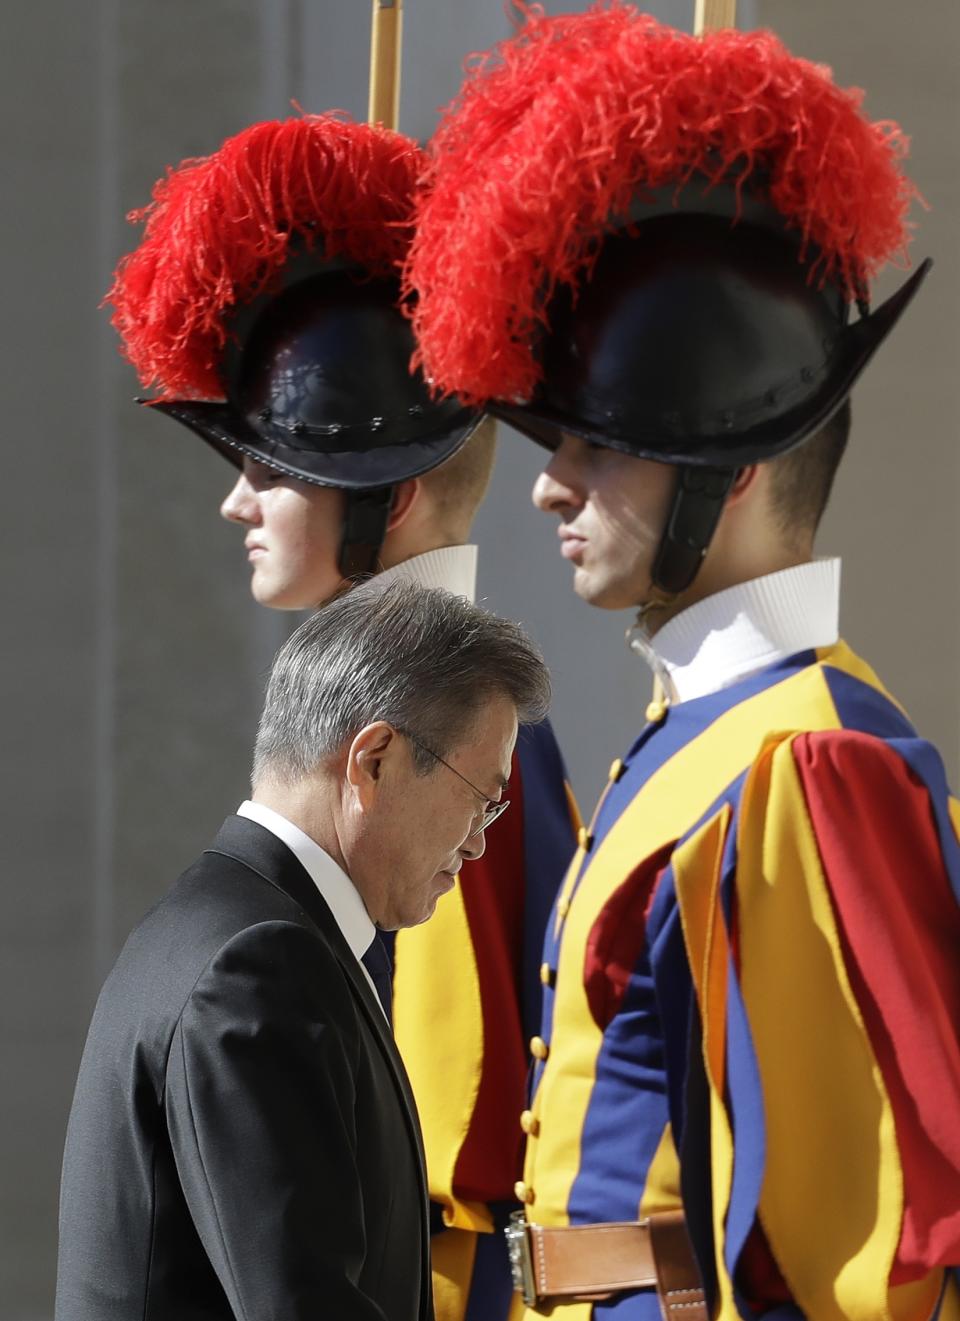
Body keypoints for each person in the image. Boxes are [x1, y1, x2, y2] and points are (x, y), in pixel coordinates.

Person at [407, 9, 960, 1319]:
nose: (550, 490)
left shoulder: (808, 760)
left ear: (736, 463)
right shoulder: (703, 729)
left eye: (599, 443)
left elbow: (862, 1258)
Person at [106, 113, 577, 1321]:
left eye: (272, 464)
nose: (234, 502)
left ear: (393, 497)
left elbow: (432, 1184)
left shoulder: (456, 751)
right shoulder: (399, 723)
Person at [55, 579, 552, 1321]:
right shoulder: (258, 963)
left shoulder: (234, 925)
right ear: (374, 760)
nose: (480, 840)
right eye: (481, 797)